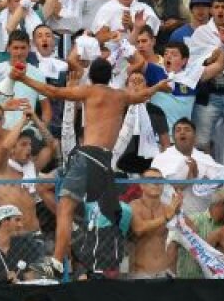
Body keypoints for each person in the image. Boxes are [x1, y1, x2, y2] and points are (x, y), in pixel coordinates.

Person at [12, 59, 168, 275]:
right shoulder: (120, 96)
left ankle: (57, 260)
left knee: (65, 208)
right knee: (89, 213)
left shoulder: (90, 91)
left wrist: (23, 78)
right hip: (106, 163)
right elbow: (143, 95)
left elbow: (52, 91)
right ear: (110, 76)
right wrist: (159, 85)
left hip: (87, 157)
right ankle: (89, 258)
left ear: (92, 77)